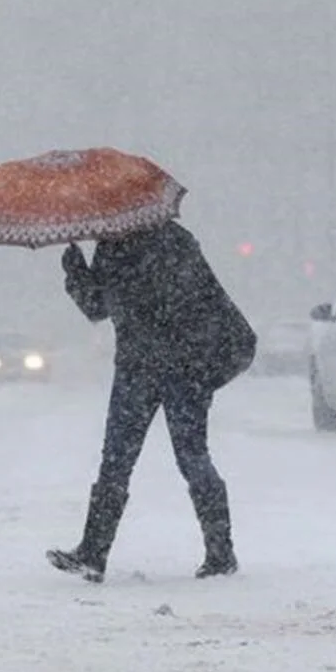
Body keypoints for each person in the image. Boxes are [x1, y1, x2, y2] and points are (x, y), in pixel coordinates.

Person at [49, 220, 256, 582]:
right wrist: (81, 271)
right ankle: (220, 553)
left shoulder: (113, 246)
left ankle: (94, 553)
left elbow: (97, 308)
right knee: (192, 455)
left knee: (117, 460)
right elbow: (203, 297)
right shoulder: (175, 239)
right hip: (184, 366)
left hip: (140, 367)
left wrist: (77, 274)